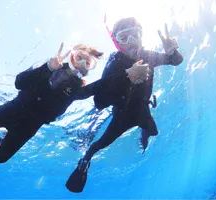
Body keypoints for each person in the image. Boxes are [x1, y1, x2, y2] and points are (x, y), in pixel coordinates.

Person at [66, 17, 183, 193]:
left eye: (136, 35)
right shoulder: (115, 63)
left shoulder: (148, 55)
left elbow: (175, 61)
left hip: (143, 111)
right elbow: (99, 103)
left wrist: (173, 51)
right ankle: (84, 162)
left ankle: (144, 134)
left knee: (153, 132)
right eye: (124, 37)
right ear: (116, 42)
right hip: (121, 117)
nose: (131, 42)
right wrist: (127, 75)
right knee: (97, 146)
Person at [0, 43, 104, 163]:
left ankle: (3, 138)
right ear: (71, 55)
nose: (81, 64)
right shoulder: (49, 65)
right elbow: (19, 82)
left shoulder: (78, 88)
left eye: (88, 63)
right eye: (79, 57)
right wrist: (48, 68)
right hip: (10, 110)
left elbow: (102, 87)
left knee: (1, 158)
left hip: (28, 128)